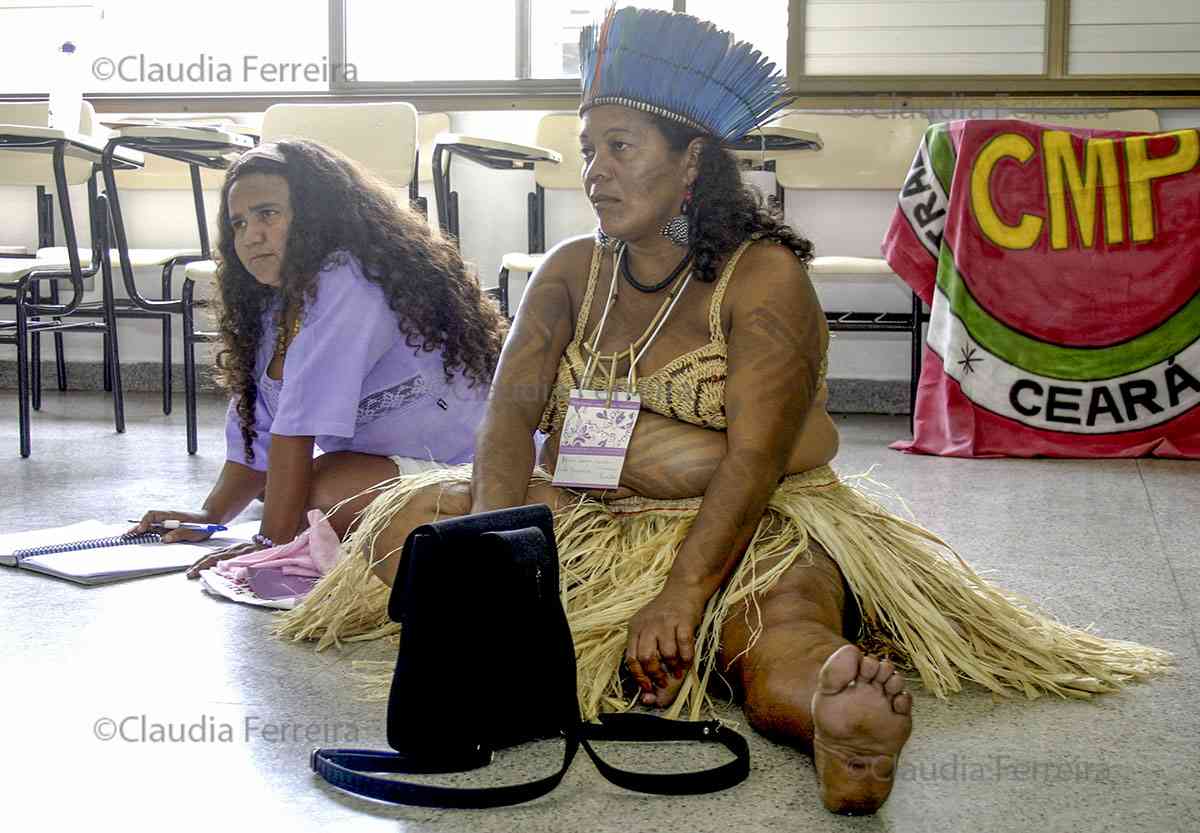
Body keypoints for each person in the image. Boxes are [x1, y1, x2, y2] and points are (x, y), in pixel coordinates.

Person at [274, 8, 1170, 816]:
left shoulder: (763, 279)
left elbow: (753, 459)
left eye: (621, 147)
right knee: (416, 523)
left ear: (691, 159)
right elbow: (509, 422)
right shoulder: (569, 271)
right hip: (586, 514)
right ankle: (603, 640)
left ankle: (831, 708)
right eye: (589, 148)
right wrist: (492, 559)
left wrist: (680, 590)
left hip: (741, 522)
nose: (595, 171)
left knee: (770, 620)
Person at [131, 139, 506, 574]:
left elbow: (297, 429)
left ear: (315, 216)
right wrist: (211, 517)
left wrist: (270, 543)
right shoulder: (273, 304)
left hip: (471, 467)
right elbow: (261, 436)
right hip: (388, 464)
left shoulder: (349, 279)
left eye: (268, 214)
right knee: (284, 490)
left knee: (317, 493)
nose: (251, 235)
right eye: (238, 223)